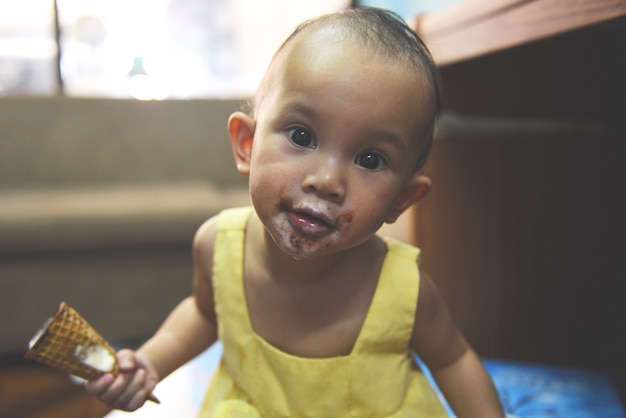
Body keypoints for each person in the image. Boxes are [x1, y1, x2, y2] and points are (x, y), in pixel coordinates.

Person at [87, 7, 504, 417]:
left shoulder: (402, 288)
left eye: (370, 160)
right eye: (302, 136)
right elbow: (203, 313)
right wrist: (151, 364)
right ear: (247, 144)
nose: (325, 180)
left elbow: (454, 360)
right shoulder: (218, 246)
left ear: (401, 200)